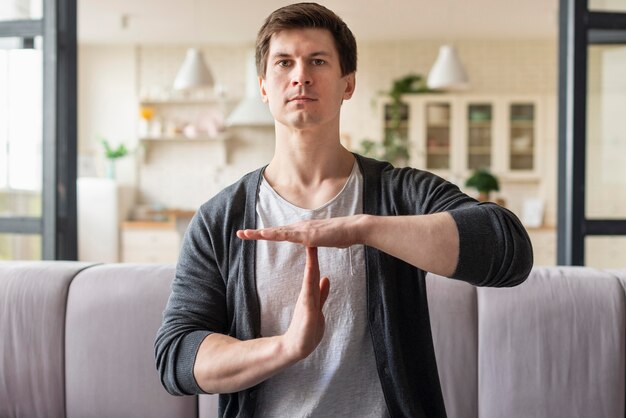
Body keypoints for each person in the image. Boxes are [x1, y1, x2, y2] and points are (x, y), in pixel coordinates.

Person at [155, 3, 533, 417]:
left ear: (347, 83)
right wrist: (287, 347)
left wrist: (364, 229)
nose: (300, 75)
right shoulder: (220, 218)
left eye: (318, 60)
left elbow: (509, 251)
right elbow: (177, 356)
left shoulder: (398, 195)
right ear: (264, 86)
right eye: (284, 63)